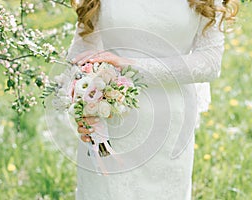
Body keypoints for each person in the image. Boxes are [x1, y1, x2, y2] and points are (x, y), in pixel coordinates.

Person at [66, 0, 239, 199]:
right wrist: (80, 108)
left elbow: (210, 62)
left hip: (170, 124)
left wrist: (130, 65)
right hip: (107, 120)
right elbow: (79, 55)